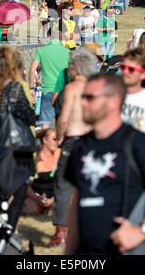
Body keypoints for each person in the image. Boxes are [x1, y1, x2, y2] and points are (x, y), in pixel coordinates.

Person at [64, 73, 145, 256]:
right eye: (82, 97)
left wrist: (141, 231)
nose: (82, 103)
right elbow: (76, 204)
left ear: (114, 101)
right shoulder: (80, 147)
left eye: (90, 98)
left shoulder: (139, 144)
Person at [47, 48, 98, 247]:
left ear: (76, 67)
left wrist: (59, 135)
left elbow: (64, 118)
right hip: (92, 140)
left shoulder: (72, 88)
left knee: (64, 184)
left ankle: (61, 231)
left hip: (74, 139)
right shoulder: (97, 87)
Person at [0, 46, 36, 231]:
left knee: (1, 192)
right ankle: (10, 230)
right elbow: (29, 116)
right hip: (17, 149)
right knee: (18, 194)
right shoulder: (14, 88)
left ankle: (1, 227)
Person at [29, 31, 70, 128]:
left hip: (47, 90)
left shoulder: (41, 51)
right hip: (62, 91)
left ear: (50, 39)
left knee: (45, 122)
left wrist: (31, 87)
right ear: (62, 40)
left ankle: (45, 141)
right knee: (63, 121)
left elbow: (32, 69)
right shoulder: (68, 52)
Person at [22, 128, 60, 216]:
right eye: (54, 139)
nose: (57, 142)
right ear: (45, 140)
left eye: (58, 140)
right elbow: (27, 186)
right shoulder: (36, 160)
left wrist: (53, 199)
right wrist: (37, 198)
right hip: (37, 196)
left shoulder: (60, 154)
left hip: (57, 196)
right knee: (33, 210)